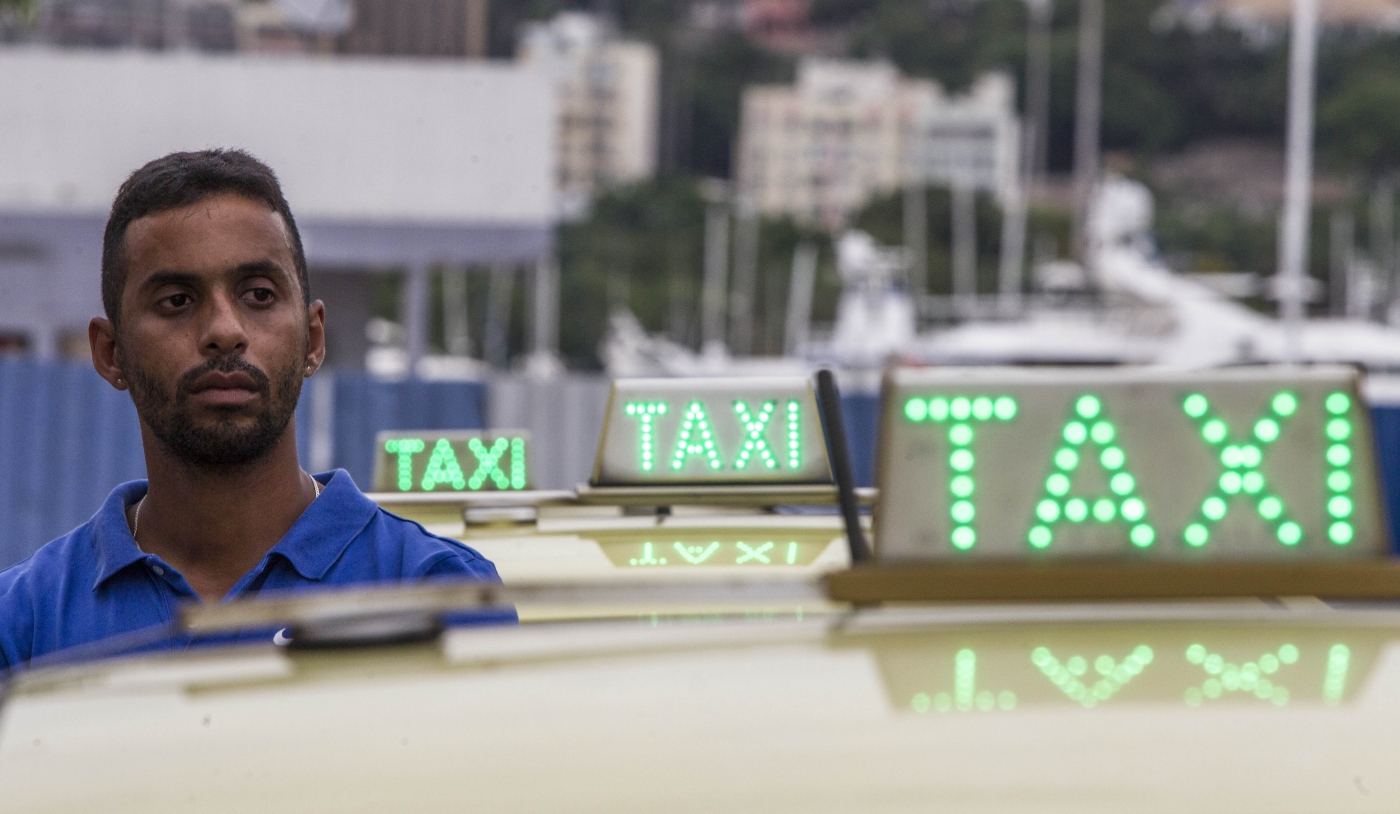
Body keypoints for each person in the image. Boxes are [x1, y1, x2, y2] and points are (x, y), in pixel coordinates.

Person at [0, 150, 507, 671]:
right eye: (176, 300)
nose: (225, 330)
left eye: (259, 295)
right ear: (111, 354)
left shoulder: (440, 594)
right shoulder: (24, 625)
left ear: (313, 339)